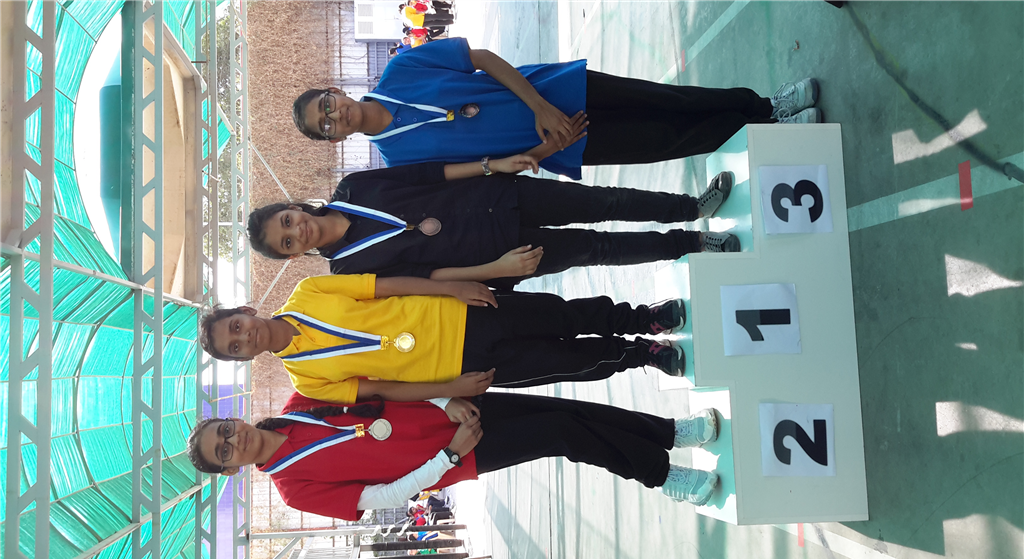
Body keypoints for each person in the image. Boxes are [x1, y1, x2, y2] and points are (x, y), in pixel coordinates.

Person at [292, 37, 821, 179]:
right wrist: (544, 150)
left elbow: (480, 59)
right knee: (670, 141)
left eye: (326, 105)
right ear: (333, 141)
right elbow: (481, 173)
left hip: (562, 93)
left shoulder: (401, 70)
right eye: (325, 126)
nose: (334, 116)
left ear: (335, 91)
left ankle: (766, 106)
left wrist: (542, 106)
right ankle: (771, 130)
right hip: (565, 144)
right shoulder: (398, 162)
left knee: (671, 100)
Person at [186, 390, 722, 521]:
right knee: (561, 433)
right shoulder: (294, 491)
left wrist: (447, 401)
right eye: (223, 450)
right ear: (230, 468)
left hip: (457, 409)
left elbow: (386, 389)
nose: (233, 440)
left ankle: (671, 431)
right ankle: (662, 475)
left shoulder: (299, 403)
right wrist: (448, 456)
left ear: (232, 418)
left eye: (224, 430)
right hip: (460, 453)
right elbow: (385, 496)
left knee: (565, 410)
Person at [245, 158, 739, 289]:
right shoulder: (347, 271)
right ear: (293, 255)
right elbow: (425, 279)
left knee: (602, 200)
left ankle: (690, 207)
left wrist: (491, 166)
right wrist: (496, 270)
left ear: (294, 207)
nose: (297, 231)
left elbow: (428, 174)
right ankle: (694, 242)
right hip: (497, 254)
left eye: (288, 220)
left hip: (500, 196)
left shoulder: (354, 189)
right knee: (598, 248)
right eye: (287, 242)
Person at [198, 274, 689, 404]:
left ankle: (641, 318)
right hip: (457, 368)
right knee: (560, 361)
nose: (245, 337)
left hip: (459, 312)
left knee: (560, 314)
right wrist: (450, 389)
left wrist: (452, 288)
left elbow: (387, 286)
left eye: (236, 326)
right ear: (243, 359)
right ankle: (638, 355)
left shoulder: (309, 291)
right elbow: (383, 390)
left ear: (245, 311)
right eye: (235, 347)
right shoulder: (306, 381)